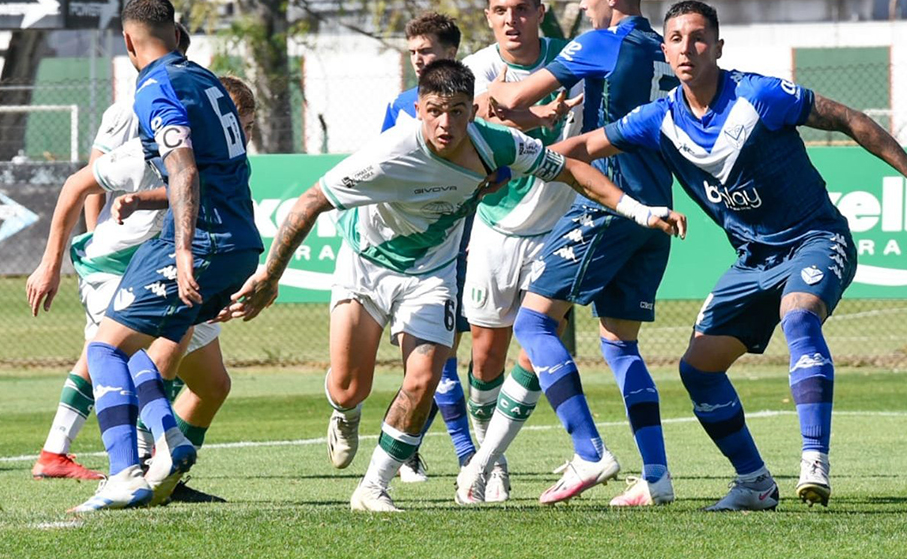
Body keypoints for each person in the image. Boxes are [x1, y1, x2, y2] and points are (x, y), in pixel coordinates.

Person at [223, 59, 684, 513]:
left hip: (431, 274)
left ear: (473, 110)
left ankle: (373, 487)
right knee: (348, 387)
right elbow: (310, 203)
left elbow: (571, 170)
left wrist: (641, 211)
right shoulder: (389, 154)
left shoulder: (495, 144)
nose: (447, 123)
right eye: (436, 111)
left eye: (459, 110)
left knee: (422, 380)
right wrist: (270, 274)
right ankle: (345, 413)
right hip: (366, 266)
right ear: (420, 108)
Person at [554, 0, 907, 510]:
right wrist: (509, 156)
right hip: (753, 261)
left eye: (699, 38)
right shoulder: (657, 119)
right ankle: (755, 483)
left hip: (815, 238)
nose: (687, 48)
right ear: (665, 49)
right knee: (698, 369)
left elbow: (849, 118)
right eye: (676, 39)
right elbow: (583, 147)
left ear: (718, 47)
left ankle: (814, 461)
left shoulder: (760, 95)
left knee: (799, 318)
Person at [458, 0, 680, 507]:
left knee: (534, 324)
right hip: (654, 206)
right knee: (619, 343)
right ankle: (656, 476)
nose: (581, 8)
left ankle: (588, 451)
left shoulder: (602, 41)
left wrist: (485, 101)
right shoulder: (664, 47)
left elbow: (510, 96)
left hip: (607, 202)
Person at [69, 0, 262, 512]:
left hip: (199, 240)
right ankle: (170, 441)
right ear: (176, 35)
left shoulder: (154, 85)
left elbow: (183, 167)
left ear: (129, 41)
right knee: (136, 350)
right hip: (238, 241)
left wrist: (180, 252)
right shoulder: (205, 81)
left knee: (105, 349)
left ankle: (123, 471)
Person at [26, 71, 257, 503]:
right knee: (135, 353)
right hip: (114, 265)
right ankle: (137, 470)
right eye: (238, 125)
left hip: (170, 267)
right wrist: (49, 265)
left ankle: (159, 475)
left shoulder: (225, 162)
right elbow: (78, 183)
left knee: (213, 385)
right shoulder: (150, 138)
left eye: (245, 128)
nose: (241, 135)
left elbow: (192, 192)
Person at [455, 0, 583, 503]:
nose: (512, 19)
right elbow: (483, 116)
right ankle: (493, 451)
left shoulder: (571, 59)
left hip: (556, 227)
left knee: (535, 344)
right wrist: (537, 117)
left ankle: (485, 462)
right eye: (502, 10)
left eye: (522, 8)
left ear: (539, 13)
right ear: (489, 17)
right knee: (486, 354)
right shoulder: (477, 68)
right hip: (495, 228)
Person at [377, 11, 477, 483]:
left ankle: (414, 446)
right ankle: (465, 456)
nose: (419, 60)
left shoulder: (472, 98)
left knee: (453, 355)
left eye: (427, 51)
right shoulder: (402, 103)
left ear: (451, 53)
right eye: (413, 52)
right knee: (431, 353)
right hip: (417, 248)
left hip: (470, 236)